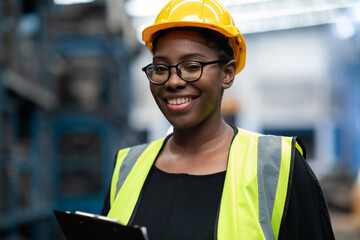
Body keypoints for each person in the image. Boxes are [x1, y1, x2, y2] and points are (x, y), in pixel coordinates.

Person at [101, 0, 335, 239]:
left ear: (227, 73)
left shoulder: (277, 166)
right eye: (161, 68)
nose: (173, 81)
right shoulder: (128, 166)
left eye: (192, 66)